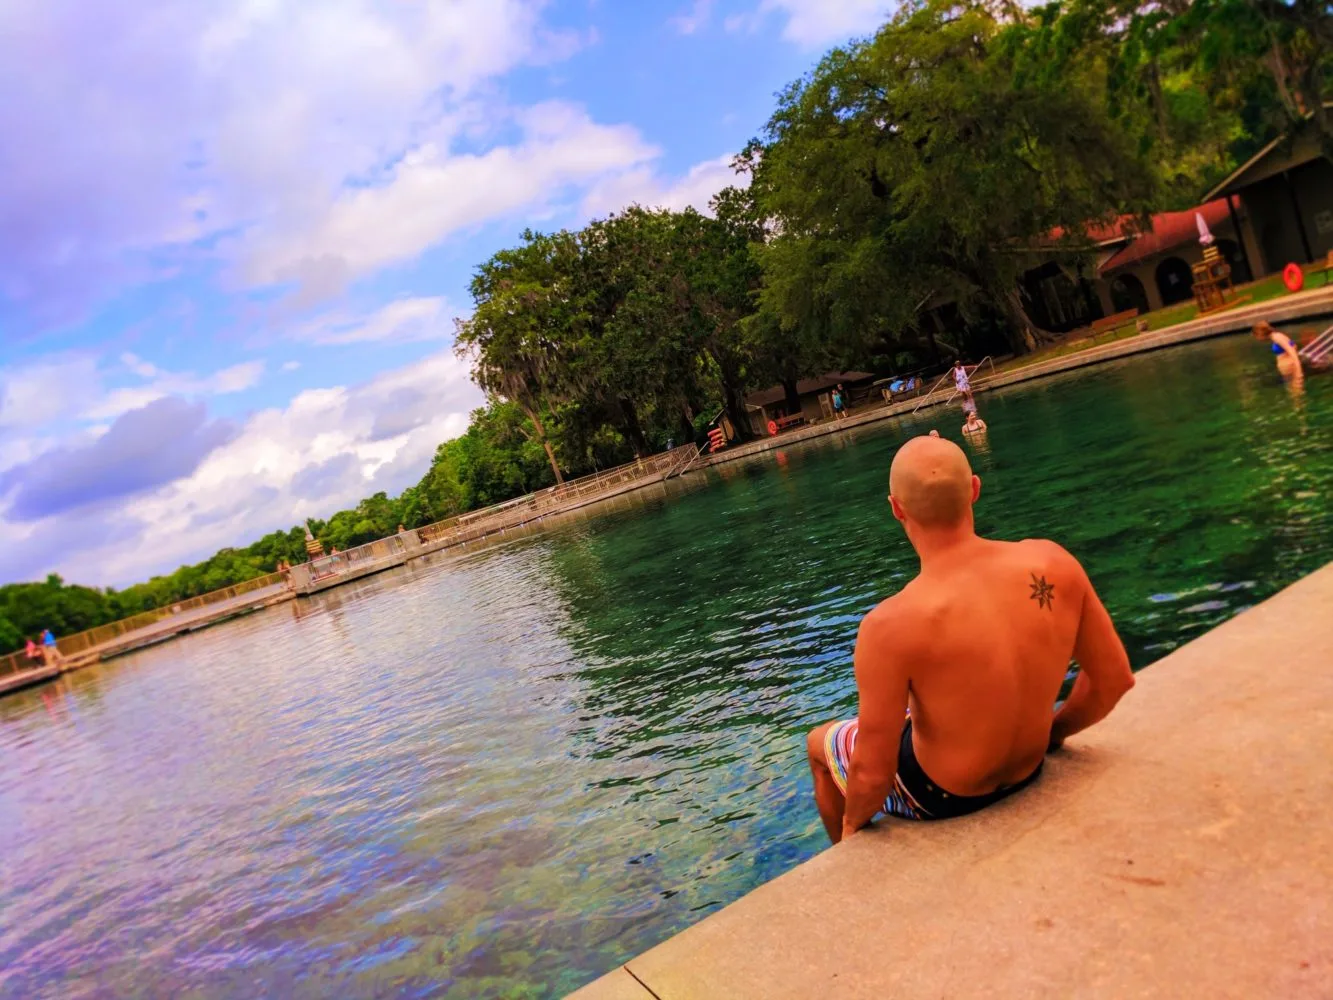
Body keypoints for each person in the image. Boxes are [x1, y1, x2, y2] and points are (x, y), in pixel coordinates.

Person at [806, 436, 1133, 843]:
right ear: (975, 489)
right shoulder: (1053, 563)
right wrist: (1053, 733)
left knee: (820, 743)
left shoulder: (889, 625)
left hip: (941, 795)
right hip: (1029, 766)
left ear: (896, 509)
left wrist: (854, 824)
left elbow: (873, 772)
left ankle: (840, 849)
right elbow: (1114, 678)